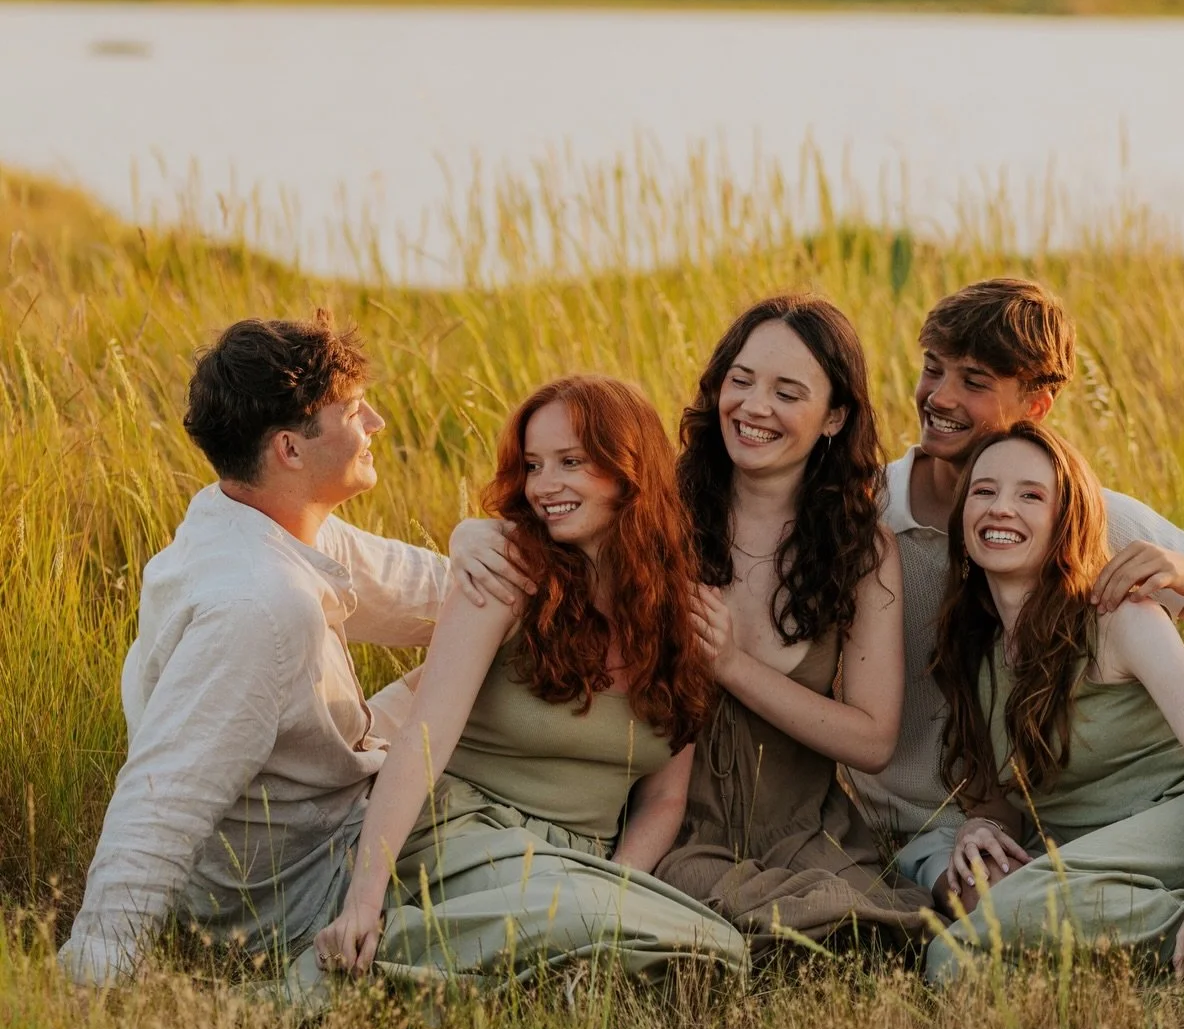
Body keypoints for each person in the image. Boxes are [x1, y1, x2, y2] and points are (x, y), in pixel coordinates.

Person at [846, 277, 1184, 894]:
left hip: (1088, 787)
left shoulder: (1088, 518)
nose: (940, 396)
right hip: (951, 825)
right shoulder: (861, 517)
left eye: (974, 382)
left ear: (1036, 406)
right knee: (988, 922)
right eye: (933, 369)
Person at [60, 311, 498, 986]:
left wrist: (489, 547)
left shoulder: (261, 518)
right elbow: (163, 796)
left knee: (483, 655)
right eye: (353, 411)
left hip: (317, 811)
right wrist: (94, 968)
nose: (376, 423)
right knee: (492, 690)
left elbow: (435, 595)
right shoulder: (259, 604)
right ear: (291, 451)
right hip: (287, 890)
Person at [309, 375, 746, 987]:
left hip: (583, 864)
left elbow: (665, 798)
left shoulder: (687, 615)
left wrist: (617, 890)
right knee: (587, 924)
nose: (545, 486)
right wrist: (362, 895)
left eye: (571, 462)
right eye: (534, 465)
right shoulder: (503, 575)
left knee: (719, 946)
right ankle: (379, 942)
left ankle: (512, 969)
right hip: (466, 834)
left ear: (631, 470)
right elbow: (421, 742)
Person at [898, 424, 1184, 980]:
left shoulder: (1118, 617)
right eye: (984, 492)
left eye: (1030, 495)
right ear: (962, 516)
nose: (1001, 509)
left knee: (986, 929)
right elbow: (1009, 807)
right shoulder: (975, 655)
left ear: (1067, 520)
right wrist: (976, 830)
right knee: (958, 964)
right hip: (1124, 867)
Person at [652, 296, 932, 955]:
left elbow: (871, 740)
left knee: (876, 921)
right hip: (677, 829)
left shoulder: (863, 551)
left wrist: (731, 666)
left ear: (834, 416)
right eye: (741, 380)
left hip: (809, 835)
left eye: (787, 392)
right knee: (699, 896)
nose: (753, 408)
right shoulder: (662, 517)